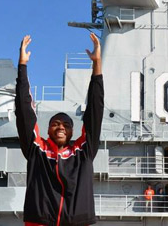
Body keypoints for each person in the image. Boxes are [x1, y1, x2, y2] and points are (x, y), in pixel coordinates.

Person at [15, 33, 104, 226]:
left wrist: (97, 66)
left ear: (73, 131)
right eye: (56, 124)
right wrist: (22, 66)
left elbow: (95, 110)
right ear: (48, 130)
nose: (61, 127)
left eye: (66, 125)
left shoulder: (84, 151)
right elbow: (24, 113)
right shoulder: (36, 150)